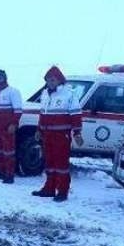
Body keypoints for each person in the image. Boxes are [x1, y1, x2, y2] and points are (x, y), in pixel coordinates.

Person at [31, 66, 83, 201]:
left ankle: (62, 191)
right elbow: (43, 114)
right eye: (48, 80)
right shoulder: (45, 94)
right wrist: (39, 129)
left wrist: (77, 133)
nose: (50, 82)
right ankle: (49, 188)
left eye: (53, 79)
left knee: (61, 164)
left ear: (60, 80)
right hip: (47, 134)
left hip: (61, 135)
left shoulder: (69, 95)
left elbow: (76, 115)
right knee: (49, 162)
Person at [0, 69, 23, 184]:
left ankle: (9, 175)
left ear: (5, 78)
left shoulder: (13, 92)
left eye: (1, 77)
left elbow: (18, 111)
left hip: (7, 127)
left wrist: (13, 124)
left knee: (8, 151)